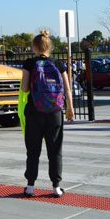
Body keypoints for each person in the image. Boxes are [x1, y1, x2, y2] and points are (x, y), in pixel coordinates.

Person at [21, 30, 74, 197]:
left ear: (34, 47)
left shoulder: (29, 63)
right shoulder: (58, 64)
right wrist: (70, 108)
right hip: (55, 112)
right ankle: (56, 187)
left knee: (33, 149)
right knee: (55, 149)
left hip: (34, 111)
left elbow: (24, 88)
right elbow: (67, 88)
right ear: (49, 46)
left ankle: (30, 187)